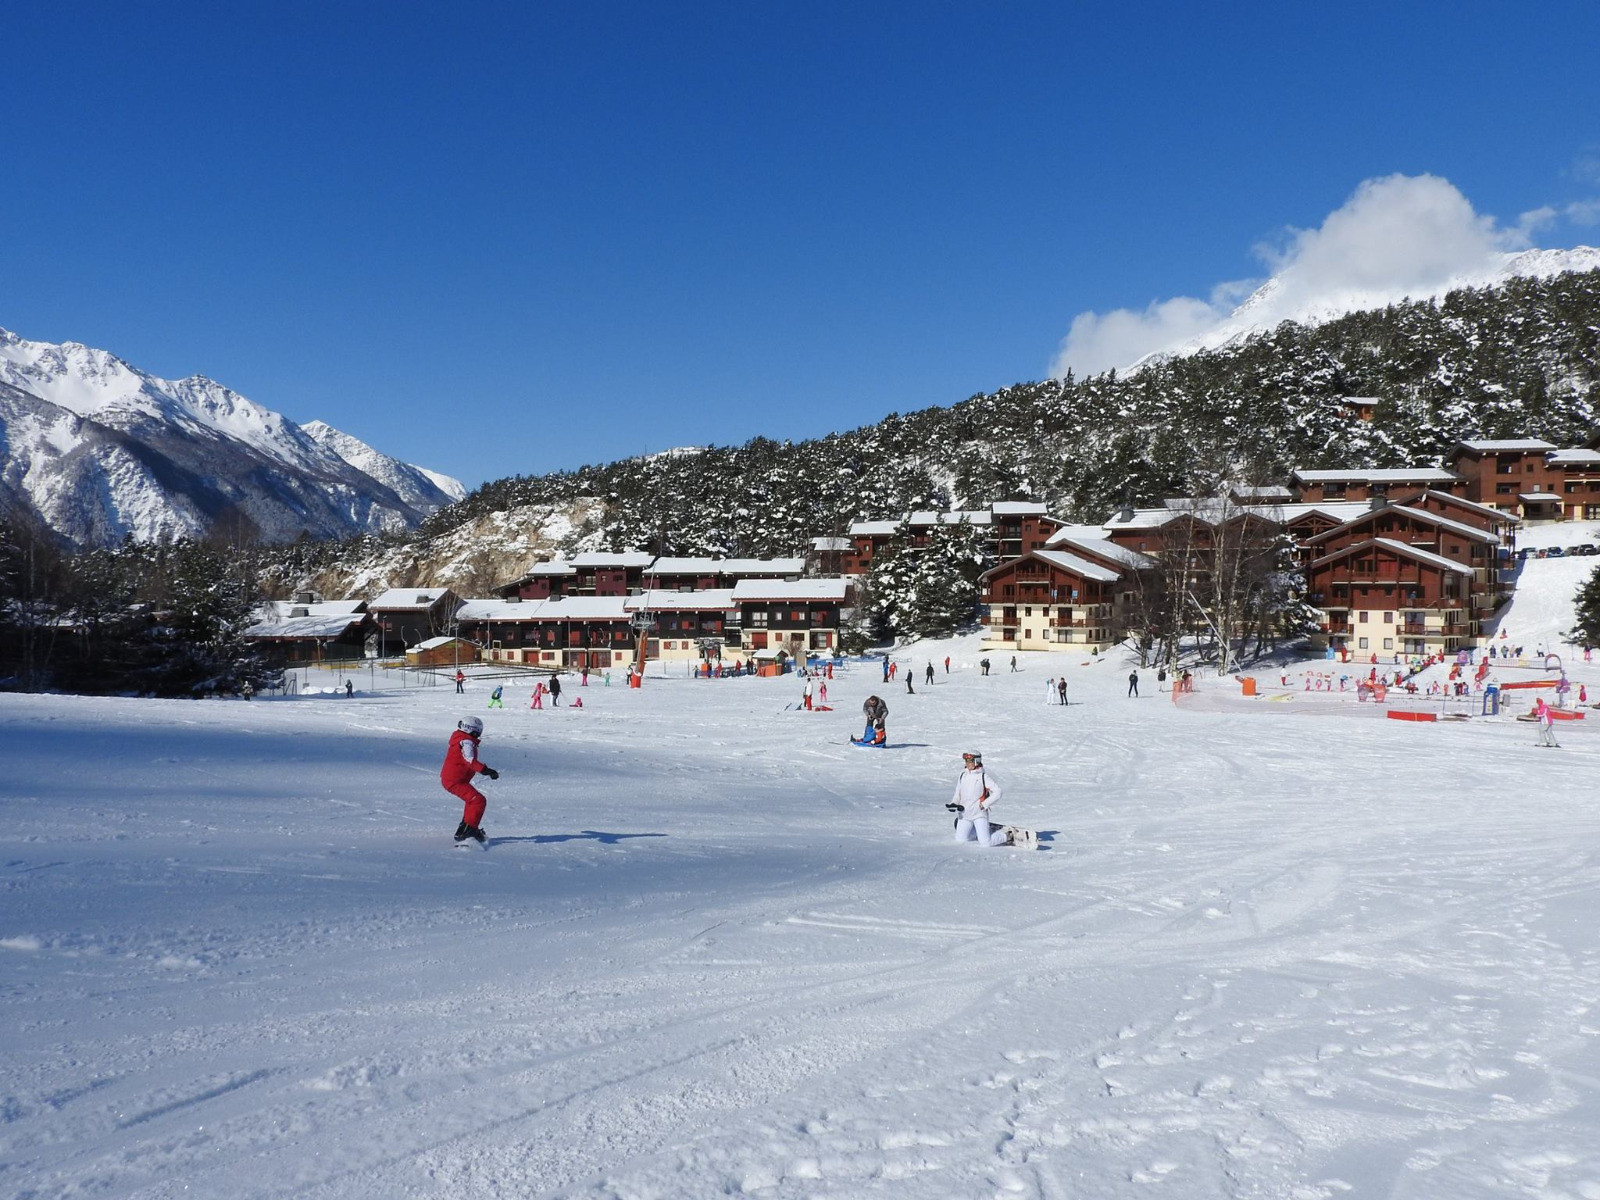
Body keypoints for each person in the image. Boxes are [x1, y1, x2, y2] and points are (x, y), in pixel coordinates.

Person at [948, 751, 1028, 847]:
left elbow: (998, 792)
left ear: (977, 761)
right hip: (965, 814)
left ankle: (1008, 835)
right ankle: (977, 830)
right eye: (966, 761)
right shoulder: (962, 775)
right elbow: (957, 793)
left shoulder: (982, 777)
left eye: (970, 761)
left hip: (979, 814)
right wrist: (953, 803)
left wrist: (985, 804)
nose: (967, 763)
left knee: (986, 843)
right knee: (961, 839)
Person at [441, 715, 497, 843]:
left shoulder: (461, 738)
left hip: (455, 779)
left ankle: (465, 828)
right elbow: (469, 760)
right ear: (472, 730)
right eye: (478, 731)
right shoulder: (466, 742)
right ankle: (469, 831)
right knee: (478, 801)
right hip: (454, 781)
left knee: (473, 801)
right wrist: (486, 770)